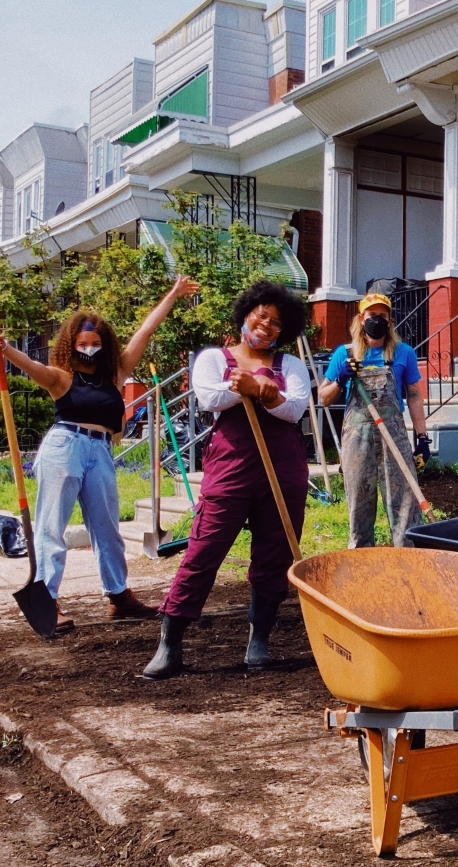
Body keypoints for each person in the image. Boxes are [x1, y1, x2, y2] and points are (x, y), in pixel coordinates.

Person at [0, 275, 199, 632]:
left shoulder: (116, 374)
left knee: (107, 527)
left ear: (106, 344)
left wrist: (173, 294)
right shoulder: (60, 377)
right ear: (72, 344)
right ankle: (47, 600)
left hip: (100, 451)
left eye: (96, 343)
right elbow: (28, 365)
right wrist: (4, 348)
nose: (90, 348)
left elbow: (144, 331)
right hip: (64, 447)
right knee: (53, 527)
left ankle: (118, 595)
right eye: (84, 343)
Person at [144, 280, 310, 680]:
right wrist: (248, 387)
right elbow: (208, 397)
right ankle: (171, 641)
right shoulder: (213, 358)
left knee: (273, 558)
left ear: (282, 332)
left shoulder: (290, 366)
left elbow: (296, 408)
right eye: (261, 316)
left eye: (275, 323)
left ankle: (260, 639)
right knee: (203, 553)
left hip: (281, 471)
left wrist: (267, 394)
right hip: (231, 470)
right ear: (246, 315)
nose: (266, 326)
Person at [319, 293, 429, 548]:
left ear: (389, 320)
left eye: (382, 316)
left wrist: (422, 438)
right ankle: (361, 564)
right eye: (372, 316)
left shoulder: (403, 353)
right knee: (359, 506)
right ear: (361, 319)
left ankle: (410, 565)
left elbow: (413, 395)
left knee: (405, 508)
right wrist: (341, 378)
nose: (377, 320)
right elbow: (323, 398)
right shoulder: (344, 354)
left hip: (394, 438)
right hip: (358, 440)